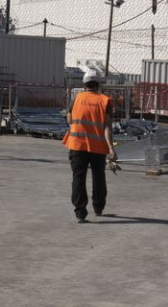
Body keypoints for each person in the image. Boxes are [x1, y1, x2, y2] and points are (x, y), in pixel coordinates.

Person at [62, 71, 117, 223]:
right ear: (98, 84)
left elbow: (69, 119)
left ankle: (80, 212)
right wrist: (111, 148)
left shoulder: (76, 98)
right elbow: (107, 127)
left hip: (77, 145)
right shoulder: (105, 101)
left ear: (84, 84)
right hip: (98, 146)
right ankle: (98, 207)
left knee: (78, 177)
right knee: (98, 177)